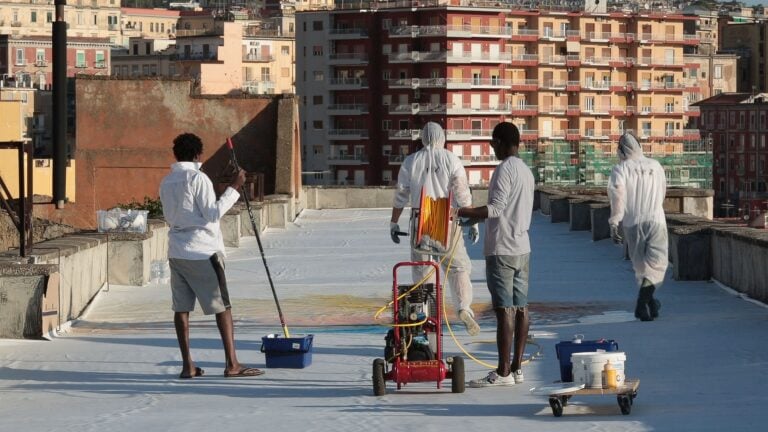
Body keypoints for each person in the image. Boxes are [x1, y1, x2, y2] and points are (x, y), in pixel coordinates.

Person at [159, 133, 264, 379]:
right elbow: (212, 214)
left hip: (177, 250)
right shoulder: (198, 178)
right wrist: (235, 187)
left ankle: (188, 365)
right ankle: (232, 364)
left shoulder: (167, 181)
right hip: (203, 251)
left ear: (176, 154)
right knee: (222, 307)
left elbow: (173, 215)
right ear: (198, 155)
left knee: (181, 309)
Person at [458, 122, 535, 387]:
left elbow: (496, 209)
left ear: (501, 143)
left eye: (493, 143)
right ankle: (516, 369)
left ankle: (503, 372)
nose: (492, 149)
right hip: (523, 247)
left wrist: (462, 213)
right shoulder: (527, 171)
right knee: (521, 308)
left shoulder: (504, 170)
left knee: (504, 310)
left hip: (502, 249)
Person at [390, 122, 481, 336]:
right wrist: (473, 221)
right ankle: (463, 307)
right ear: (442, 138)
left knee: (423, 272)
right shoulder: (451, 159)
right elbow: (462, 194)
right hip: (446, 220)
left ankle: (426, 316)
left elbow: (400, 194)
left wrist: (394, 222)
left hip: (420, 221)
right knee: (457, 267)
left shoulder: (411, 161)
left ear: (422, 138)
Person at [607, 132, 668, 322]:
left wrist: (614, 221)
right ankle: (648, 303)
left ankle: (645, 303)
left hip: (632, 223)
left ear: (621, 150)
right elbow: (663, 192)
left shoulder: (620, 169)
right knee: (656, 266)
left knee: (641, 268)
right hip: (656, 220)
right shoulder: (655, 166)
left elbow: (618, 196)